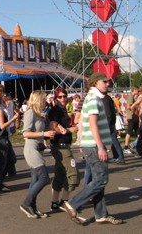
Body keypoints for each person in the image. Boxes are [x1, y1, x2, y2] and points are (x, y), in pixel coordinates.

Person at [63, 73, 124, 225]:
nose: (107, 84)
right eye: (105, 82)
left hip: (91, 144)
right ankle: (73, 204)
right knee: (102, 179)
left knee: (98, 180)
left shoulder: (92, 98)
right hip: (95, 146)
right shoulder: (93, 99)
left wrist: (83, 141)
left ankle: (101, 214)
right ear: (95, 83)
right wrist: (101, 147)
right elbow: (92, 124)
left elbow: (83, 123)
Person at [20, 90, 56, 219]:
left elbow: (42, 130)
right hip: (31, 150)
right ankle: (26, 203)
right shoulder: (30, 112)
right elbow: (25, 133)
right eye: (44, 99)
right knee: (44, 178)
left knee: (35, 180)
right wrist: (43, 134)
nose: (46, 101)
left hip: (37, 149)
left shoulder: (39, 114)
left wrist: (49, 133)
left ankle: (32, 207)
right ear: (38, 100)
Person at [48, 87, 80, 211]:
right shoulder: (55, 111)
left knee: (60, 174)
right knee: (73, 175)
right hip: (60, 146)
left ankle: (55, 202)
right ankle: (65, 202)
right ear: (56, 98)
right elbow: (53, 128)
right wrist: (68, 130)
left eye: (64, 96)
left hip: (64, 145)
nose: (63, 98)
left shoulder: (63, 110)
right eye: (60, 97)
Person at [0, 84, 19, 192]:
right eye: (7, 100)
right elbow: (2, 125)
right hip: (0, 138)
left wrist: (15, 120)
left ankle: (0, 180)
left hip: (5, 136)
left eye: (9, 100)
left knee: (11, 159)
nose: (9, 102)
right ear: (3, 100)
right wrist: (13, 119)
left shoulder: (6, 109)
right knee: (1, 161)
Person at [102, 84, 125, 164]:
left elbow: (108, 113)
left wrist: (107, 124)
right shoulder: (108, 98)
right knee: (113, 140)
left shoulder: (105, 99)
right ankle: (117, 156)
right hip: (111, 122)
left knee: (114, 140)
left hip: (108, 123)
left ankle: (120, 157)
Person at [123, 86, 139, 154]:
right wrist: (135, 109)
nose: (138, 91)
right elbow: (128, 106)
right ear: (134, 90)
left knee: (138, 131)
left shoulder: (133, 97)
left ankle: (141, 145)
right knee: (129, 132)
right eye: (137, 90)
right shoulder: (130, 97)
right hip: (132, 117)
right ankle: (126, 147)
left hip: (134, 117)